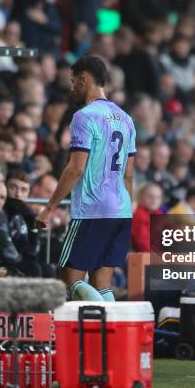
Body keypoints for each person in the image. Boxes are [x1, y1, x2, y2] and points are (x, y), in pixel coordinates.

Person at [36, 55, 137, 302]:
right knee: (102, 283)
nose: (71, 88)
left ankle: (93, 324)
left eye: (73, 82)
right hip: (121, 209)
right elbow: (129, 174)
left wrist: (49, 208)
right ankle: (110, 326)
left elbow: (75, 169)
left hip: (92, 209)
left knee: (69, 279)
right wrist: (123, 210)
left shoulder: (85, 116)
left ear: (84, 80)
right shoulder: (126, 119)